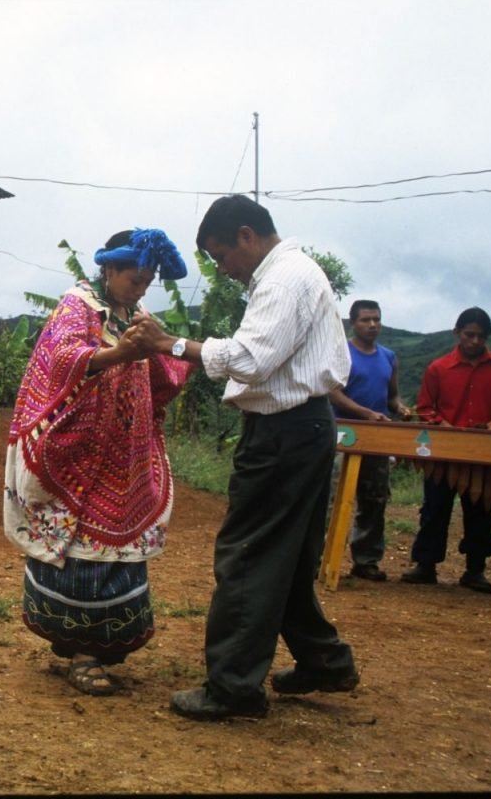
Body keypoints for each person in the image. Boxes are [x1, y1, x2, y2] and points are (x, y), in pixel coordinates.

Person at [125, 194, 359, 721]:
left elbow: (250, 360)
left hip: (283, 434)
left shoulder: (282, 281)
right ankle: (324, 661)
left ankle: (233, 688)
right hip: (304, 428)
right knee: (287, 556)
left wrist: (171, 343)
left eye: (222, 255)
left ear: (247, 236)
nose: (224, 269)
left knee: (248, 554)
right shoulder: (292, 274)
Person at [4, 228, 191, 696]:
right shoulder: (78, 305)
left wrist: (164, 350)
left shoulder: (138, 315)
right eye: (135, 278)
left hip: (125, 454)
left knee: (117, 548)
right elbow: (62, 358)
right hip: (80, 452)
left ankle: (98, 646)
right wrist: (119, 353)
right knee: (81, 549)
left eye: (147, 281)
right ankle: (83, 652)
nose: (142, 287)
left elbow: (164, 372)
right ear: (109, 269)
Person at [402, 306, 491, 592]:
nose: (475, 341)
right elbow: (426, 408)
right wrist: (444, 425)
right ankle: (426, 565)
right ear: (457, 332)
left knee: (480, 511)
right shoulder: (438, 368)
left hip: (482, 452)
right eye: (469, 335)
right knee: (434, 508)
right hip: (443, 451)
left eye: (481, 336)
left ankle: (475, 570)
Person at [327, 299, 412, 583]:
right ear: (353, 323)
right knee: (333, 499)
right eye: (366, 320)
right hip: (343, 436)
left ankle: (366, 561)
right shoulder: (341, 352)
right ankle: (320, 557)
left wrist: (400, 408)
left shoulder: (389, 356)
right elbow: (333, 393)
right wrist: (366, 413)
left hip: (378, 438)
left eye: (376, 319)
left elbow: (392, 395)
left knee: (374, 500)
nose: (372, 324)